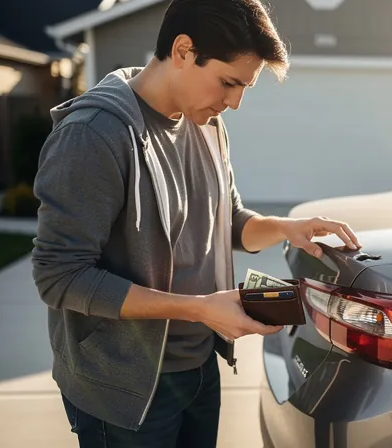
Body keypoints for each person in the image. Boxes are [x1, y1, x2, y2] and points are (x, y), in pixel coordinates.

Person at [31, 0, 361, 446]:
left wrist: (285, 228)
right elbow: (60, 276)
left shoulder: (205, 123)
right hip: (126, 387)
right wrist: (200, 308)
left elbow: (228, 220)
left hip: (200, 367)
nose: (235, 103)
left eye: (244, 88)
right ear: (183, 50)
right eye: (228, 83)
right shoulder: (92, 134)